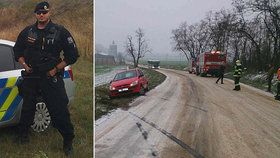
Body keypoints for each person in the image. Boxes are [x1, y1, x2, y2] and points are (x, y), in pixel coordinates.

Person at [13, 1, 79, 156]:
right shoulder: (28, 31)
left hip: (50, 78)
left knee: (59, 109)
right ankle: (23, 136)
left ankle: (68, 141)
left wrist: (56, 69)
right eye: (38, 13)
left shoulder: (60, 31)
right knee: (28, 108)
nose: (41, 15)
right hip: (31, 76)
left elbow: (72, 55)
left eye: (44, 12)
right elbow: (17, 50)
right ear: (35, 14)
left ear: (49, 13)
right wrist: (24, 65)